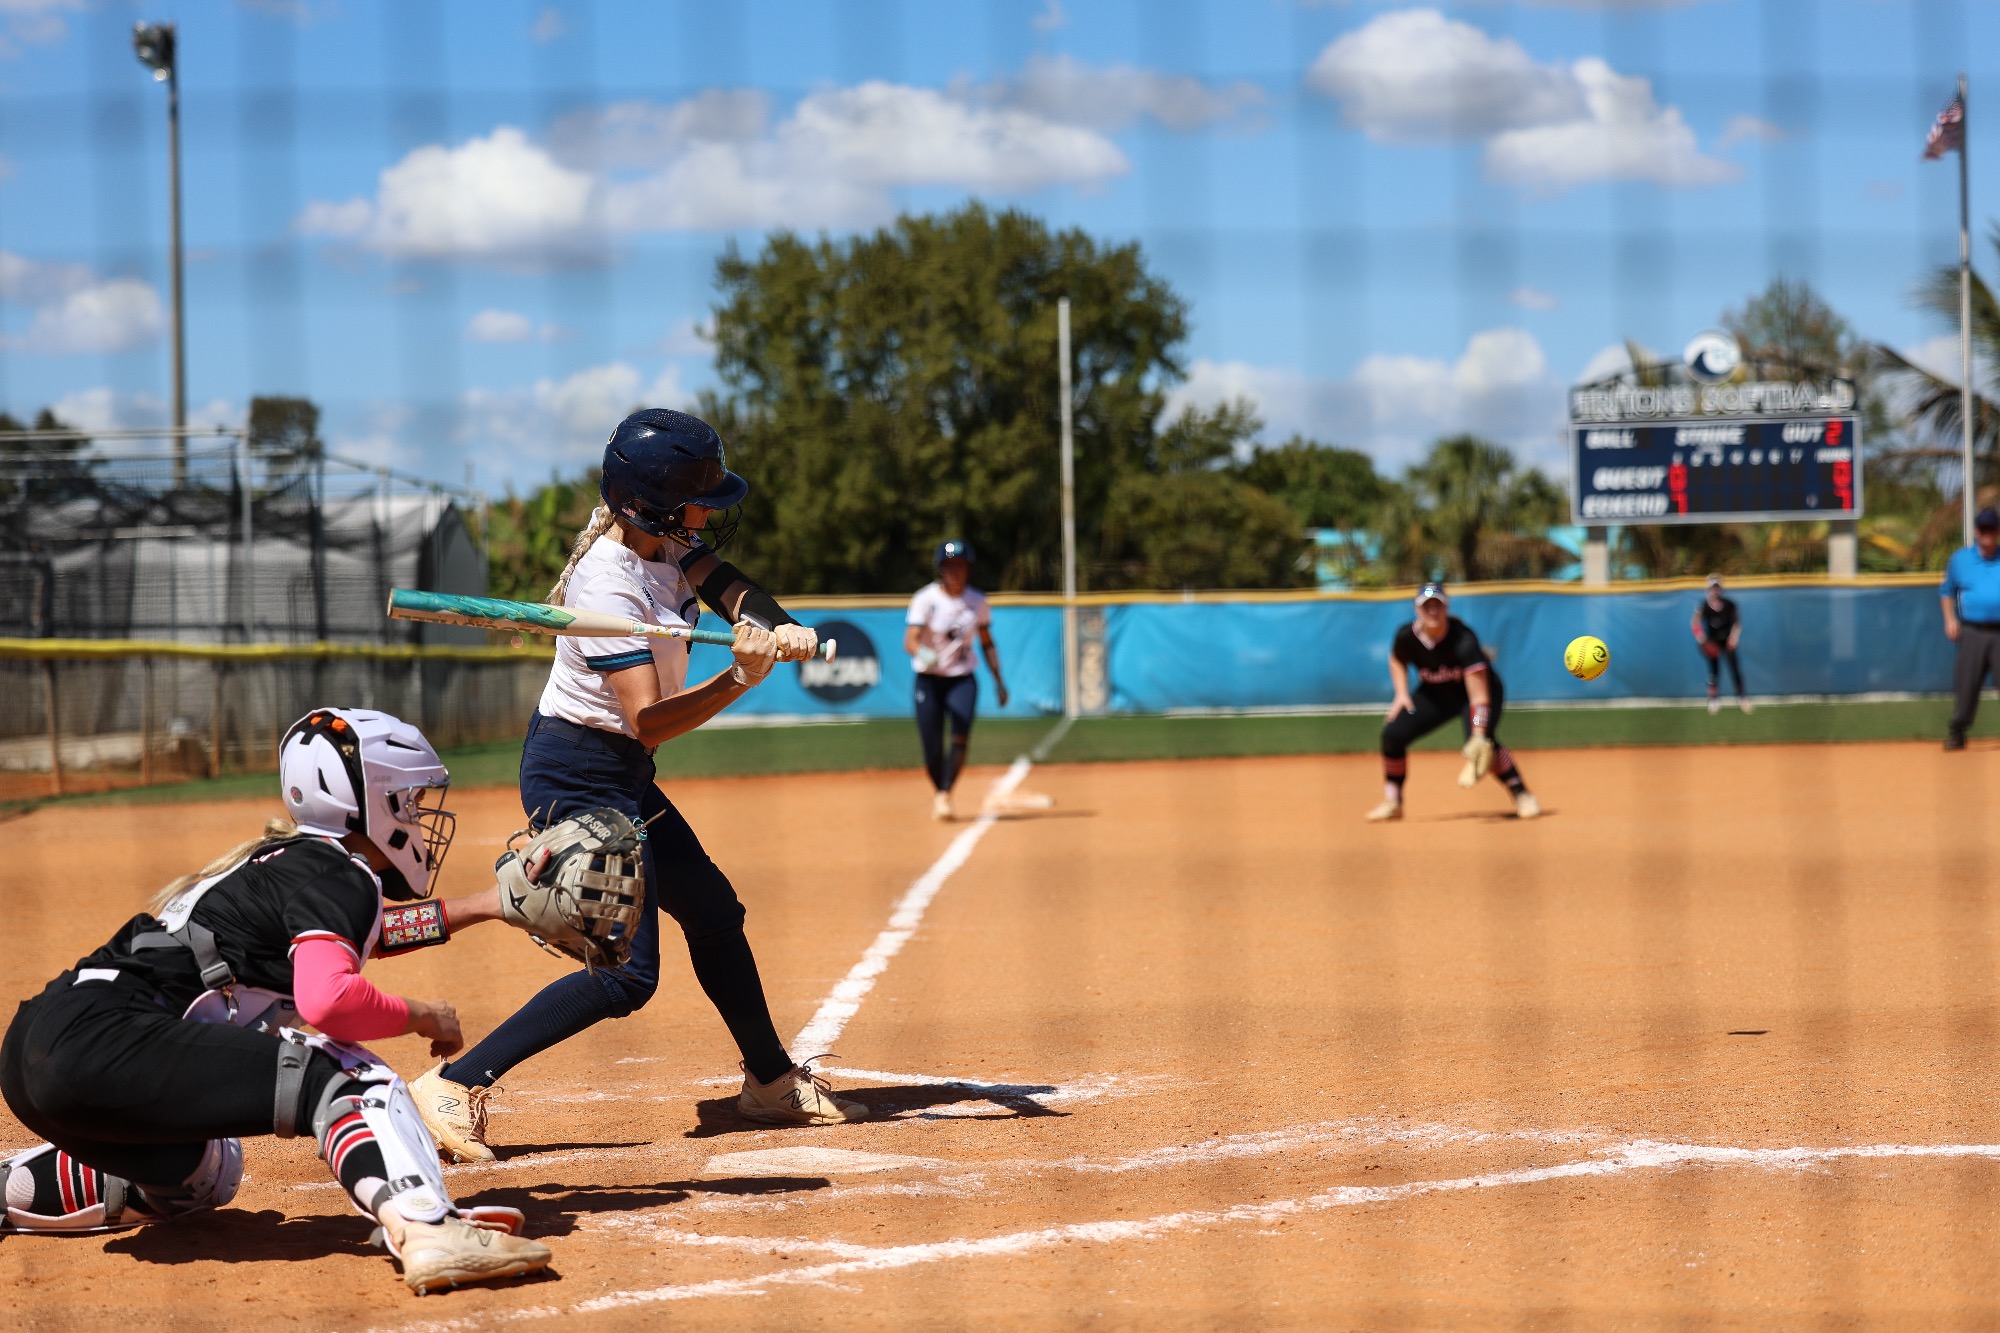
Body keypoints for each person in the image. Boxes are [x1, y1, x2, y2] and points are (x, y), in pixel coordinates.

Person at [411, 408, 866, 1165]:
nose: (709, 514)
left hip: (622, 771)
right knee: (628, 973)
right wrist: (738, 678)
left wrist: (779, 626)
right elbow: (649, 719)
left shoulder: (667, 547)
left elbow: (730, 588)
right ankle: (455, 1082)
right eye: (699, 499)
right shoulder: (606, 587)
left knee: (716, 913)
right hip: (575, 770)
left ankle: (769, 1082)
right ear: (651, 503)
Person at [0, 708, 553, 1296]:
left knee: (207, 1175)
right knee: (345, 1071)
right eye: (409, 800)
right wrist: (424, 1015)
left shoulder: (288, 863)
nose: (417, 815)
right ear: (373, 802)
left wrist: (488, 904)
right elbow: (328, 998)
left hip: (41, 1053)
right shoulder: (338, 873)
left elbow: (361, 936)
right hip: (106, 1046)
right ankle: (428, 1228)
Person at [1366, 582, 1540, 822]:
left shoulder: (1463, 640)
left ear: (1446, 607)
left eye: (1438, 605)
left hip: (1477, 695)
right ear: (1417, 609)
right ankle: (1392, 801)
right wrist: (1401, 694)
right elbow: (1397, 659)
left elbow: (1479, 698)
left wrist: (1479, 733)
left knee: (1482, 745)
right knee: (1392, 734)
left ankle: (1522, 795)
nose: (1433, 611)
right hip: (1436, 695)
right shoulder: (1406, 636)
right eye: (1427, 606)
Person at [904, 539, 1010, 821]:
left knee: (960, 733)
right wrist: (923, 654)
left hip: (962, 679)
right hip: (928, 680)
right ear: (940, 569)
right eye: (949, 566)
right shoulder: (925, 599)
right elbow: (910, 641)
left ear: (968, 569)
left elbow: (987, 643)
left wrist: (999, 680)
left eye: (961, 566)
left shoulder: (977, 602)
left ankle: (946, 793)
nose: (955, 571)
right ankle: (940, 788)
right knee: (931, 747)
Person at [1940, 506, 2000, 751]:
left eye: (1991, 529)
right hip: (1972, 631)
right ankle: (1958, 732)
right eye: (1983, 528)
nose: (1987, 533)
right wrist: (1950, 619)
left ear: (1997, 531)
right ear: (1976, 531)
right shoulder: (1960, 559)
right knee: (1967, 683)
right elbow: (1946, 592)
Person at [1692, 574, 1750, 715]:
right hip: (1713, 642)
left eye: (1717, 587)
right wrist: (1702, 639)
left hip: (1727, 641)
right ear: (1708, 589)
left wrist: (1734, 638)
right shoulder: (1704, 606)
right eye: (1713, 588)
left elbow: (1737, 623)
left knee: (1735, 669)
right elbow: (1695, 623)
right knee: (1713, 672)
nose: (1715, 590)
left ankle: (1741, 697)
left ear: (1721, 589)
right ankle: (1713, 699)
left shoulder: (1729, 604)